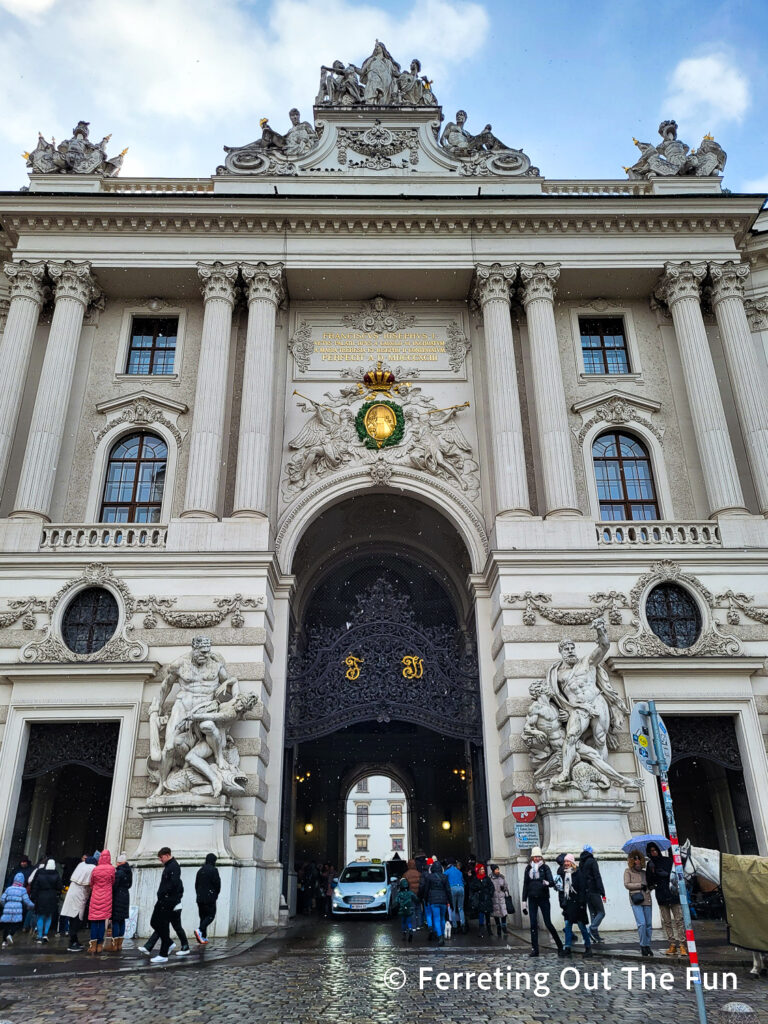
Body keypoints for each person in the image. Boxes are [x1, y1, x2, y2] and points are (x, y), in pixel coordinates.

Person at [141, 847, 187, 963]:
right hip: (164, 900)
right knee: (156, 923)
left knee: (162, 925)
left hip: (167, 901)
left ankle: (164, 952)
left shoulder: (173, 866)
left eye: (161, 858)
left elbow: (174, 884)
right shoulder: (170, 866)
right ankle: (168, 944)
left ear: (166, 855)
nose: (160, 860)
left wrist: (167, 895)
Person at [521, 846, 563, 958]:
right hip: (532, 898)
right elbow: (525, 885)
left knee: (548, 923)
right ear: (532, 858)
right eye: (535, 857)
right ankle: (535, 949)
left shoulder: (545, 867)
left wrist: (547, 883)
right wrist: (524, 901)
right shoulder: (528, 868)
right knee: (533, 924)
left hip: (543, 898)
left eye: (539, 856)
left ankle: (560, 946)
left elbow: (551, 882)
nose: (537, 859)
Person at [646, 841, 685, 956]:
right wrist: (653, 873)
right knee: (667, 921)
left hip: (672, 893)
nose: (654, 852)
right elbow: (650, 882)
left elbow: (675, 875)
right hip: (661, 894)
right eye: (651, 851)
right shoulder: (650, 864)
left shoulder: (668, 861)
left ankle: (682, 944)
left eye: (655, 850)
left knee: (679, 920)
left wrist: (666, 874)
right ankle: (672, 944)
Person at [558, 853, 593, 957]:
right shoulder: (564, 874)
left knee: (582, 926)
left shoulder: (578, 873)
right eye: (565, 862)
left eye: (568, 861)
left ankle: (588, 947)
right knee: (568, 926)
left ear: (572, 862)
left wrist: (582, 904)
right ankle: (567, 947)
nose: (566, 863)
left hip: (578, 904)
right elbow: (563, 890)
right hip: (569, 904)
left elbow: (582, 889)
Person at [60, 855, 97, 952]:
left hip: (73, 893)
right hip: (79, 896)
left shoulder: (81, 866)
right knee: (76, 920)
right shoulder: (92, 868)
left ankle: (74, 940)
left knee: (73, 919)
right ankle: (72, 942)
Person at [624, 848, 653, 956]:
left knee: (649, 924)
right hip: (636, 899)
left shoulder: (644, 873)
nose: (637, 861)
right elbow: (627, 884)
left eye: (639, 859)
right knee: (642, 923)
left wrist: (649, 887)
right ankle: (643, 945)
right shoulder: (628, 871)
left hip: (647, 899)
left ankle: (647, 945)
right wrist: (640, 885)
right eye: (635, 859)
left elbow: (649, 885)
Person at [88, 849, 115, 954]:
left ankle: (92, 946)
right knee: (103, 921)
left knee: (94, 921)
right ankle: (100, 945)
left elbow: (91, 882)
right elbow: (112, 881)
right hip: (107, 897)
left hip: (95, 896)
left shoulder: (95, 869)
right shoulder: (112, 869)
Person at [419, 859, 451, 946]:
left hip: (433, 900)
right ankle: (442, 935)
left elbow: (427, 889)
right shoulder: (445, 877)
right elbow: (448, 890)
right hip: (443, 900)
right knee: (442, 918)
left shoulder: (430, 877)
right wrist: (450, 901)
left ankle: (440, 937)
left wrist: (425, 899)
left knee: (436, 918)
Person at [30, 858, 61, 944]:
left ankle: (39, 936)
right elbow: (59, 886)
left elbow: (35, 886)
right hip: (52, 896)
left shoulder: (40, 873)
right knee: (49, 916)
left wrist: (33, 896)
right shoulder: (56, 874)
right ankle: (45, 934)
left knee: (40, 916)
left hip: (41, 896)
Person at [579, 845, 606, 944]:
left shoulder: (581, 862)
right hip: (594, 890)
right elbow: (597, 876)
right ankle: (592, 929)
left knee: (593, 914)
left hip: (586, 892)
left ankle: (595, 936)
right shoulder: (592, 861)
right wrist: (602, 891)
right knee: (601, 912)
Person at [0, 872, 34, 948]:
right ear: (22, 881)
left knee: (6, 924)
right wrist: (33, 906)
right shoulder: (23, 890)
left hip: (8, 906)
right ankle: (10, 934)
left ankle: (4, 942)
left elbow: (2, 899)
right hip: (17, 908)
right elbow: (26, 901)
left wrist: (5, 905)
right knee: (16, 923)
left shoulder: (9, 888)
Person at [194, 853, 220, 945]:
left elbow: (196, 885)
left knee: (203, 917)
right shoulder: (214, 870)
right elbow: (217, 885)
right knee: (210, 916)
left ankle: (203, 937)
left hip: (200, 898)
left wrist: (199, 894)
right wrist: (215, 895)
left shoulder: (200, 870)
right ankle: (200, 930)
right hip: (210, 897)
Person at [110, 852, 132, 953]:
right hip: (125, 896)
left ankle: (114, 944)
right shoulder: (129, 871)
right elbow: (129, 884)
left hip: (118, 896)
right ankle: (119, 944)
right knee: (122, 920)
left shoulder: (118, 872)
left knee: (115, 920)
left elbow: (114, 886)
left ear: (119, 863)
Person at [469, 862, 494, 939]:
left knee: (487, 915)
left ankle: (489, 929)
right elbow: (472, 889)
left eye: (483, 869)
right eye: (481, 869)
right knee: (481, 914)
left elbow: (492, 887)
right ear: (478, 870)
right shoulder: (475, 879)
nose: (483, 870)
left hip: (487, 898)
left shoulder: (487, 878)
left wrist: (490, 894)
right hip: (480, 899)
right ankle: (481, 929)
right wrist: (474, 897)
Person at [444, 859, 466, 934]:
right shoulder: (459, 872)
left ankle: (455, 926)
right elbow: (463, 881)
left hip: (452, 888)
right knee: (460, 908)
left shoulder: (448, 871)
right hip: (461, 888)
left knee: (452, 908)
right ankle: (463, 925)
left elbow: (443, 878)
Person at [489, 864, 511, 939]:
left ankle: (504, 926)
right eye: (496, 870)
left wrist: (504, 890)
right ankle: (498, 926)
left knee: (503, 912)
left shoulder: (502, 877)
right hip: (494, 897)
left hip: (501, 897)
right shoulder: (490, 878)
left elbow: (506, 887)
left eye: (498, 869)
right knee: (496, 913)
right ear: (493, 870)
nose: (498, 871)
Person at [395, 876, 416, 942]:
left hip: (402, 910)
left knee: (403, 922)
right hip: (409, 909)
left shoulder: (399, 894)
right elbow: (416, 899)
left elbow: (396, 901)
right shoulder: (410, 893)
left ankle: (404, 934)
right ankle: (410, 929)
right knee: (409, 921)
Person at [404, 858, 422, 928]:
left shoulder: (406, 874)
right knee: (418, 909)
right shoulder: (419, 873)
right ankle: (419, 925)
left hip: (410, 895)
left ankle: (413, 926)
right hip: (418, 894)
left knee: (412, 910)